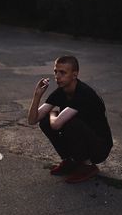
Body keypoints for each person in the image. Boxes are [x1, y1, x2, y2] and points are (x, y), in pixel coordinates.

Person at [28, 55, 113, 183]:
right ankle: (70, 161)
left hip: (99, 147)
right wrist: (37, 95)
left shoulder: (83, 93)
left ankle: (87, 166)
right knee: (45, 122)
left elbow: (56, 124)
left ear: (74, 75)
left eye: (63, 72)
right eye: (56, 71)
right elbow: (32, 120)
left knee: (70, 123)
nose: (57, 76)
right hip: (84, 140)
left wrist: (52, 113)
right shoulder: (61, 91)